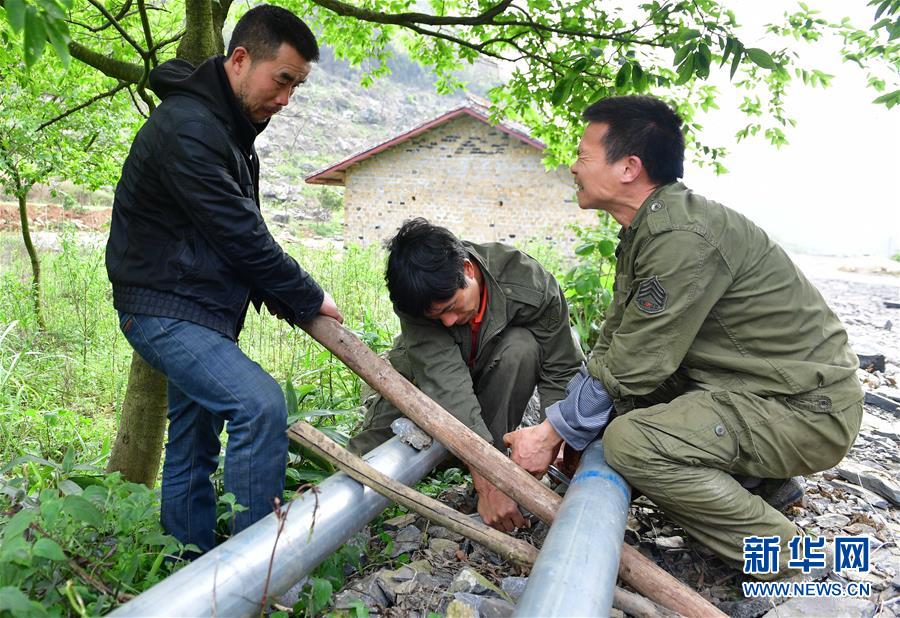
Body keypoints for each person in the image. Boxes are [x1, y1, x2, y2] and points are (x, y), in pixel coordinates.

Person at [504, 95, 862, 577]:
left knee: (631, 442)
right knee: (618, 411)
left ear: (628, 167)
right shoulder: (650, 229)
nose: (573, 167)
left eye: (584, 156)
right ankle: (762, 483)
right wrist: (573, 427)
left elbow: (635, 363)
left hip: (805, 409)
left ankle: (793, 559)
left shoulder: (681, 236)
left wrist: (551, 432)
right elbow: (615, 341)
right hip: (761, 390)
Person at [105, 5, 343, 554]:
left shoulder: (226, 128)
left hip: (197, 309)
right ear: (239, 60)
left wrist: (282, 295)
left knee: (193, 443)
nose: (286, 99)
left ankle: (188, 569)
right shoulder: (190, 128)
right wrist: (308, 296)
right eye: (282, 80)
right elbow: (240, 234)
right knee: (259, 406)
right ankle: (256, 573)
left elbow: (225, 234)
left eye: (297, 86)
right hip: (165, 309)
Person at [348, 218, 583, 531]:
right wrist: (488, 477)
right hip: (424, 380)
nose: (447, 322)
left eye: (451, 307)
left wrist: (553, 438)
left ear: (468, 270)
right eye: (436, 316)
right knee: (367, 458)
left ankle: (493, 462)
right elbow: (447, 384)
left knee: (522, 347)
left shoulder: (528, 283)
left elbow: (562, 366)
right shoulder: (416, 299)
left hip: (490, 368)